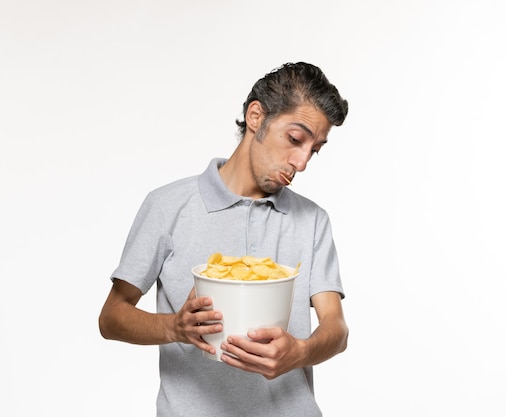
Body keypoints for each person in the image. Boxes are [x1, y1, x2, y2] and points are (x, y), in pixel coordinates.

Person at [99, 62, 350, 417]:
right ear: (256, 116)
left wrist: (301, 352)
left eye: (315, 149)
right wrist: (175, 327)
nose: (302, 162)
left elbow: (336, 329)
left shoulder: (312, 220)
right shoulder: (168, 205)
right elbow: (111, 318)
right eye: (295, 139)